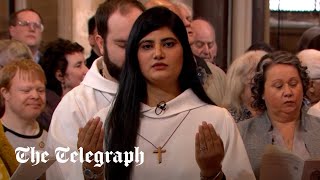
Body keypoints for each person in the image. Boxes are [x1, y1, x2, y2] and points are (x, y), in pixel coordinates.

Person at [79, 7, 255, 180]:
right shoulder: (109, 122)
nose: (158, 53)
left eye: (168, 44)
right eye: (147, 46)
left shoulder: (216, 120)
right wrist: (92, 170)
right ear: (135, 56)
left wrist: (213, 173)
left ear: (184, 52)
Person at [45, 1, 145, 179]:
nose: (133, 54)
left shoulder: (162, 92)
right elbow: (65, 174)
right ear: (100, 43)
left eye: (142, 44)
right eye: (123, 45)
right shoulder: (75, 106)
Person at [238, 51, 320, 178]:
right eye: (278, 86)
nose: (288, 92)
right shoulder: (242, 133)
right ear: (262, 92)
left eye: (293, 84)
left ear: (303, 87)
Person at [38, 38, 88, 130]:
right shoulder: (46, 112)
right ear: (60, 75)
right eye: (78, 66)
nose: (87, 70)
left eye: (85, 64)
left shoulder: (83, 101)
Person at [0, 59, 47, 150]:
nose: (35, 96)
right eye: (26, 90)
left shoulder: (52, 137)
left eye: (40, 90)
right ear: (5, 93)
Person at [223, 50, 266, 122]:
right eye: (253, 85)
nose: (260, 90)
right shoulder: (227, 118)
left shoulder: (274, 115)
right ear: (239, 87)